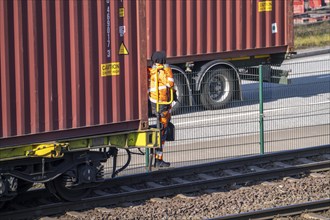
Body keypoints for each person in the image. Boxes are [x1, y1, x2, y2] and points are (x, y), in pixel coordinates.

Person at [148, 51, 174, 168]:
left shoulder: (150, 70)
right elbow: (170, 84)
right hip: (163, 103)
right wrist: (168, 69)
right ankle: (158, 159)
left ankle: (154, 158)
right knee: (162, 133)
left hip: (154, 103)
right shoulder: (163, 71)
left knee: (159, 130)